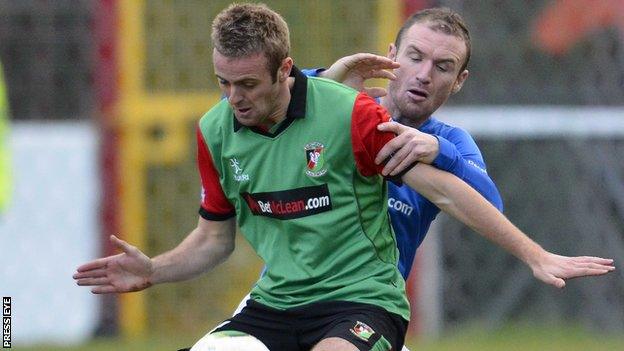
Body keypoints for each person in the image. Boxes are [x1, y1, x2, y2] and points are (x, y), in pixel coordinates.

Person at [73, 4, 614, 351]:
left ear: (461, 80)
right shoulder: (327, 107)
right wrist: (326, 80)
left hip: (362, 305)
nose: (424, 75)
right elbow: (283, 106)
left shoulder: (444, 145)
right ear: (390, 57)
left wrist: (444, 159)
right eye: (416, 57)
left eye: (443, 67)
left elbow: (472, 196)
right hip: (282, 299)